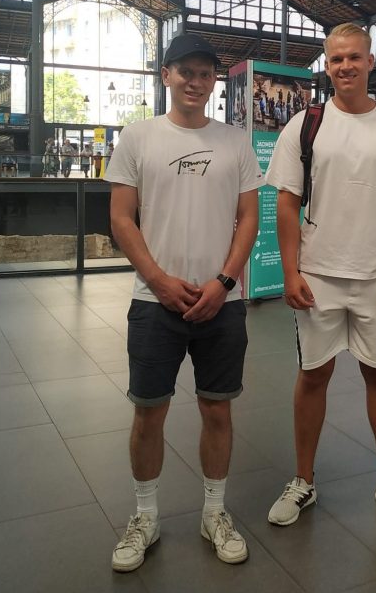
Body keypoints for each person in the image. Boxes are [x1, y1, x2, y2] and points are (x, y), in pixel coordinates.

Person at [264, 22, 376, 529]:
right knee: (313, 375)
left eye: (354, 57)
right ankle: (304, 480)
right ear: (326, 64)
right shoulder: (305, 125)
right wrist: (292, 270)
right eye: (336, 58)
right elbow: (286, 202)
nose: (345, 66)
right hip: (319, 274)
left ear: (370, 62)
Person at [105, 33, 263, 573]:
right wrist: (159, 279)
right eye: (186, 72)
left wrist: (223, 282)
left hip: (223, 302)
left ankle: (214, 511)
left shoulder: (235, 142)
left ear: (214, 80)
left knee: (217, 409)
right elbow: (122, 218)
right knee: (149, 412)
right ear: (166, 75)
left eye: (206, 73)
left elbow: (250, 219)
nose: (196, 82)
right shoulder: (138, 137)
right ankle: (145, 515)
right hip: (155, 302)